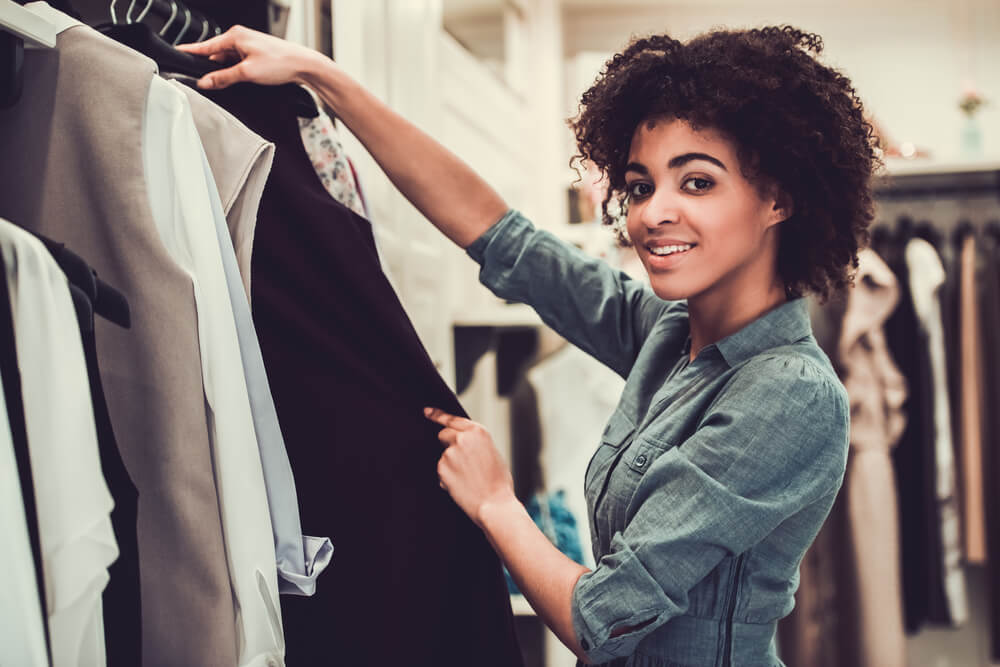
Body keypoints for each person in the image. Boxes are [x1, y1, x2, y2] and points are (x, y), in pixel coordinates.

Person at [180, 24, 875, 666]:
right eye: (639, 186)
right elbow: (496, 232)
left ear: (780, 196)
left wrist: (494, 501)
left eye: (697, 181)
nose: (653, 213)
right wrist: (323, 77)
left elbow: (601, 620)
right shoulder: (670, 337)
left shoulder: (787, 392)